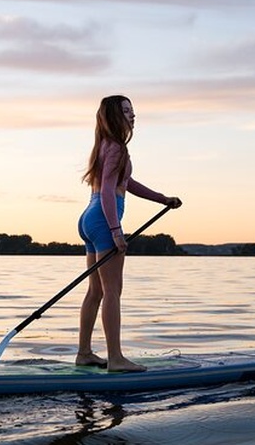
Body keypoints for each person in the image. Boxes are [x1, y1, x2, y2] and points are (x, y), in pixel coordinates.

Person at [76, 95, 182, 372]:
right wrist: (115, 230)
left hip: (89, 217)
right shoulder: (117, 148)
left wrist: (162, 198)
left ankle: (84, 353)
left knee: (95, 291)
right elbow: (111, 189)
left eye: (133, 110)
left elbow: (127, 182)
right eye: (126, 111)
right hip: (102, 219)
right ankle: (116, 358)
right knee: (112, 291)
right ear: (114, 116)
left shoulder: (103, 146)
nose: (132, 115)